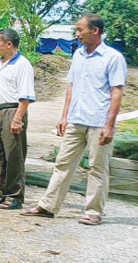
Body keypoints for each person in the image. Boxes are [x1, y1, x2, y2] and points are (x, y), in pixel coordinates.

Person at [23, 14, 126, 225]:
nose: (77, 34)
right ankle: (48, 206)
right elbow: (71, 86)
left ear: (94, 31)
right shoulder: (78, 54)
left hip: (99, 121)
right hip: (76, 120)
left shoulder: (113, 58)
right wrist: (64, 116)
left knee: (97, 167)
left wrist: (109, 125)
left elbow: (117, 92)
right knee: (63, 163)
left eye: (80, 30)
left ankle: (94, 212)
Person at [0, 28, 35, 210]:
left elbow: (25, 96)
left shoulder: (22, 65)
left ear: (8, 44)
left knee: (14, 156)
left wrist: (18, 118)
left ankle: (14, 196)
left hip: (12, 111)